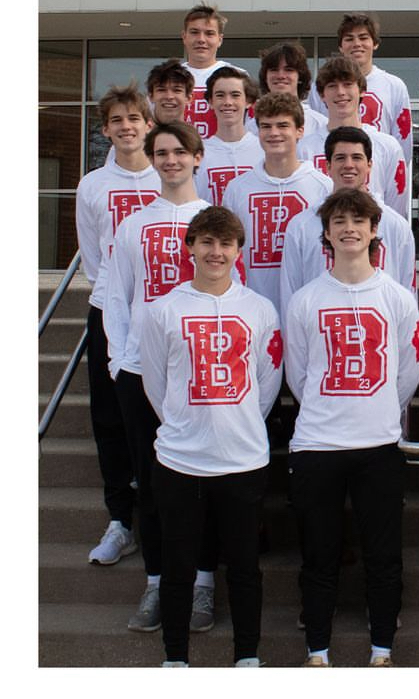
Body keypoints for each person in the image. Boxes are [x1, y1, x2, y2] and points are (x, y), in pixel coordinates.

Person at [285, 188, 419, 667]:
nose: (349, 228)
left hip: (378, 444)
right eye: (339, 221)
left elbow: (408, 370)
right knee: (319, 557)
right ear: (326, 233)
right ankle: (317, 653)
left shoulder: (397, 298)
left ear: (372, 230)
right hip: (316, 446)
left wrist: (378, 410)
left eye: (358, 221)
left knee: (384, 557)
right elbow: (299, 374)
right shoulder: (305, 300)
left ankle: (382, 651)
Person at [141, 206, 282, 668]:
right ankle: (175, 659)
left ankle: (248, 657)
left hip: (242, 460)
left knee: (244, 567)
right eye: (207, 242)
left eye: (225, 244)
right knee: (178, 566)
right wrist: (186, 423)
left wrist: (235, 422)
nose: (215, 252)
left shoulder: (260, 310)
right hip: (181, 460)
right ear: (191, 248)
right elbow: (156, 383)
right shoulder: (164, 310)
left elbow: (267, 382)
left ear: (239, 251)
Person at [104, 121, 223, 633]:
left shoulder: (215, 219)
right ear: (151, 159)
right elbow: (116, 295)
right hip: (140, 370)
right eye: (161, 153)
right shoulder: (133, 224)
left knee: (205, 482)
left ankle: (201, 584)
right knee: (151, 484)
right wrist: (119, 361)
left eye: (180, 151)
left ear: (199, 157)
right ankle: (156, 583)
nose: (170, 160)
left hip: (202, 371)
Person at [76, 82, 159, 566]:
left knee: (154, 415)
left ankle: (160, 515)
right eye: (116, 121)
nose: (126, 127)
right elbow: (93, 255)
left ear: (148, 124)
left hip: (160, 311)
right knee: (109, 418)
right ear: (105, 130)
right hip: (110, 309)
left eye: (134, 118)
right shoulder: (92, 185)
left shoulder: (167, 174)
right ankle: (121, 520)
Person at [280, 125, 416, 321]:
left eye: (357, 158)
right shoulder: (302, 225)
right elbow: (290, 293)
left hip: (379, 334)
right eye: (340, 158)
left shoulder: (395, 225)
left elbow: (407, 291)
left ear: (370, 164)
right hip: (321, 334)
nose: (349, 165)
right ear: (327, 166)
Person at [222, 92, 332, 320]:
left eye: (283, 125)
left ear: (300, 130)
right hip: (252, 311)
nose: (274, 133)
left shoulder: (323, 187)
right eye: (266, 126)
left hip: (309, 309)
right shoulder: (238, 189)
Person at [299, 54, 408, 221]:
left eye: (348, 84)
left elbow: (395, 209)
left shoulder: (387, 146)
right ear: (322, 95)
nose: (341, 92)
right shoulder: (304, 149)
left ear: (362, 90)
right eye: (332, 86)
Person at [308, 13, 412, 165]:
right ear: (341, 46)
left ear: (375, 43)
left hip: (378, 165)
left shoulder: (394, 86)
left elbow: (403, 140)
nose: (357, 44)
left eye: (363, 38)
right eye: (349, 39)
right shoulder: (322, 86)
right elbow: (316, 129)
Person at [195, 66, 263, 206]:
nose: (227, 102)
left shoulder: (264, 150)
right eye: (220, 95)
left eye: (235, 95)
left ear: (248, 101)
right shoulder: (197, 153)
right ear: (210, 102)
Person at [180, 3, 244, 138]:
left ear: (220, 39)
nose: (201, 40)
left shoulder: (238, 77)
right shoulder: (169, 78)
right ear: (184, 36)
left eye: (209, 33)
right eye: (194, 32)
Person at [246, 40, 328, 141]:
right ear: (265, 77)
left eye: (288, 70)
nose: (281, 76)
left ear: (300, 76)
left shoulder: (320, 124)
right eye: (274, 70)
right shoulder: (251, 127)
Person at [146, 58, 195, 125]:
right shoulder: (141, 135)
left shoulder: (194, 135)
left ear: (189, 98)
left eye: (177, 90)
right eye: (161, 90)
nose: (169, 96)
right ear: (151, 96)